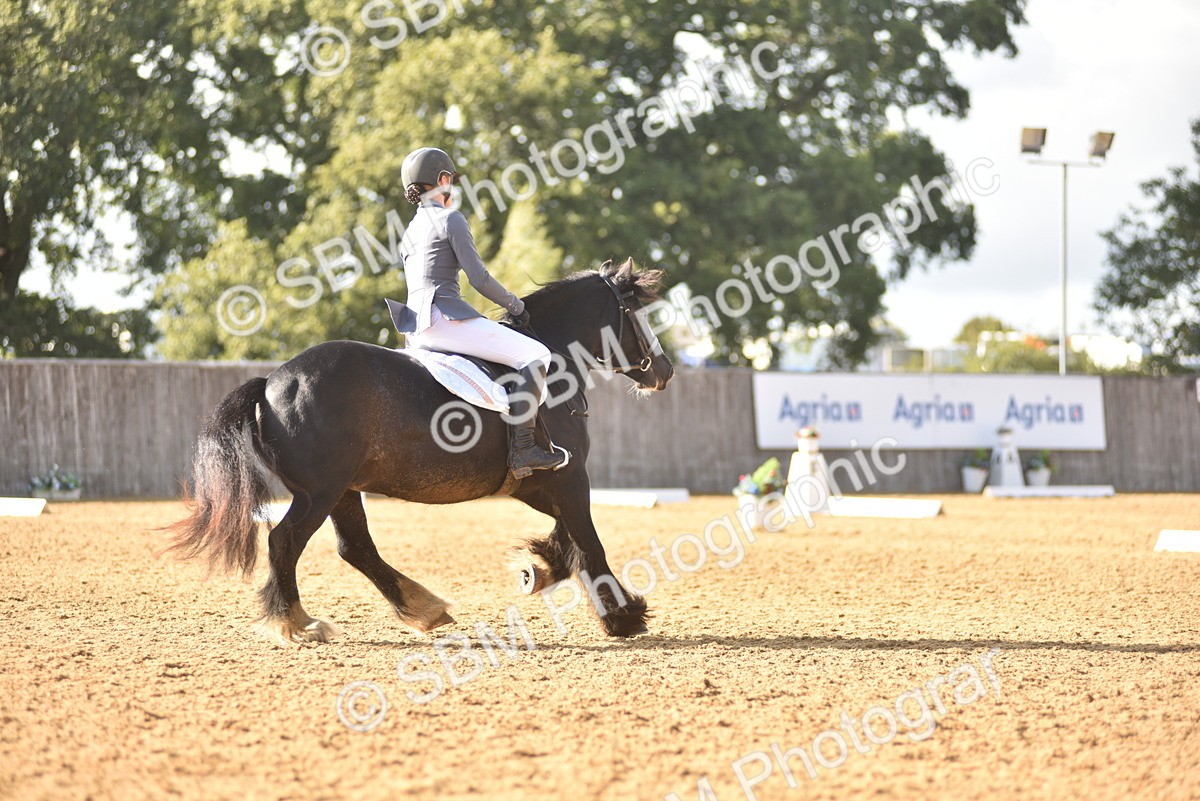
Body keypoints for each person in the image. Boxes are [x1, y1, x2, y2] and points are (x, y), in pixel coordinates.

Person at [389, 147, 566, 478]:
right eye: (450, 181)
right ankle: (524, 448)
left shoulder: (410, 231)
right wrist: (516, 304)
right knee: (536, 355)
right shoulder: (450, 219)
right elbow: (479, 279)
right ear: (442, 180)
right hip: (442, 318)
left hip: (413, 327)